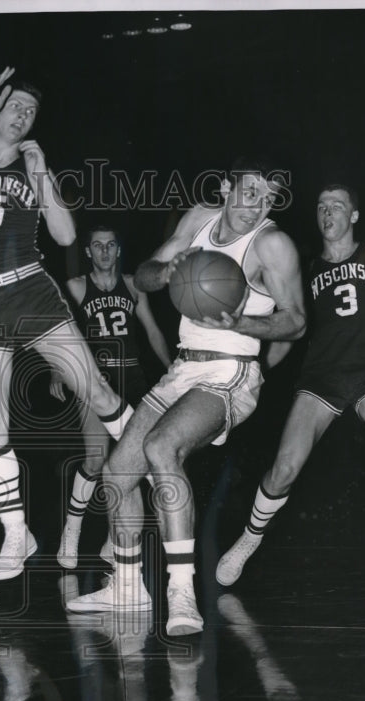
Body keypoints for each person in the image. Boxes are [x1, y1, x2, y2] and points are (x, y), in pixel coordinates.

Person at [66, 159, 307, 637]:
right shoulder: (198, 218)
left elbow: (296, 320)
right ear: (225, 189)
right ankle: (128, 586)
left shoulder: (272, 244)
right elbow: (146, 274)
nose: (255, 203)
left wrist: (242, 322)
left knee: (161, 448)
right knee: (118, 472)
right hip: (183, 366)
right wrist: (169, 270)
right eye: (248, 191)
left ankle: (182, 592)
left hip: (231, 372)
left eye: (265, 196)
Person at [0, 68, 134, 579]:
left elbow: (68, 236)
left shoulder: (32, 168)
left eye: (31, 111)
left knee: (99, 395)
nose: (23, 116)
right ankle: (17, 533)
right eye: (15, 106)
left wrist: (43, 171)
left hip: (28, 291)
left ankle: (153, 459)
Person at [215, 184, 365, 601]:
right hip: (322, 376)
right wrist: (257, 369)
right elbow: (290, 327)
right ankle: (249, 538)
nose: (327, 212)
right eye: (321, 206)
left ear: (353, 215)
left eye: (337, 205)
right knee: (283, 470)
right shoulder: (304, 269)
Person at [51, 226, 172, 568]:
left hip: (132, 377)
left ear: (119, 250)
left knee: (126, 463)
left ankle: (112, 540)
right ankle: (71, 532)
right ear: (88, 252)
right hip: (93, 379)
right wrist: (58, 370)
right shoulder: (76, 287)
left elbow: (151, 331)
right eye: (97, 246)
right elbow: (60, 334)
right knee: (94, 459)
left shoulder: (133, 285)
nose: (104, 251)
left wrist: (171, 367)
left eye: (110, 246)